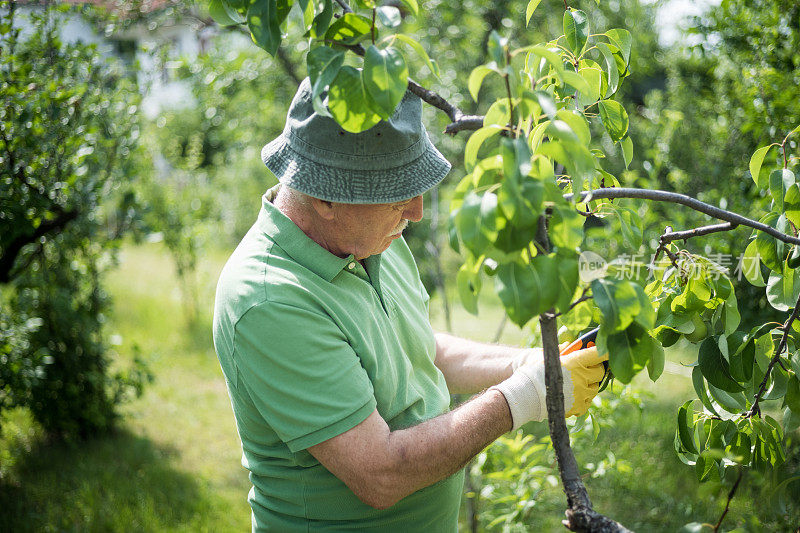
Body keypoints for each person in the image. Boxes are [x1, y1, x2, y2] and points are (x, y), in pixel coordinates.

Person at [212, 78, 607, 532]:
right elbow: (380, 474)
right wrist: (524, 396)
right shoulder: (269, 300)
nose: (416, 211)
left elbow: (419, 349)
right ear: (324, 197)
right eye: (397, 194)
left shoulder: (374, 237)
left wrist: (530, 363)